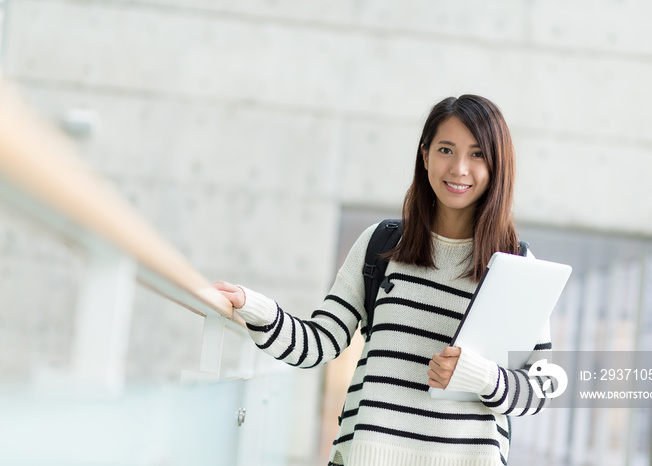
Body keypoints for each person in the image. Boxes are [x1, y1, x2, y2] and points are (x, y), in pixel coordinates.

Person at [214, 95, 552, 466]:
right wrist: (257, 309)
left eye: (477, 154)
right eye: (445, 149)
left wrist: (482, 376)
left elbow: (540, 387)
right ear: (425, 157)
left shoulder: (516, 266)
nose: (459, 168)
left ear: (496, 166)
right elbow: (320, 342)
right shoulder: (383, 244)